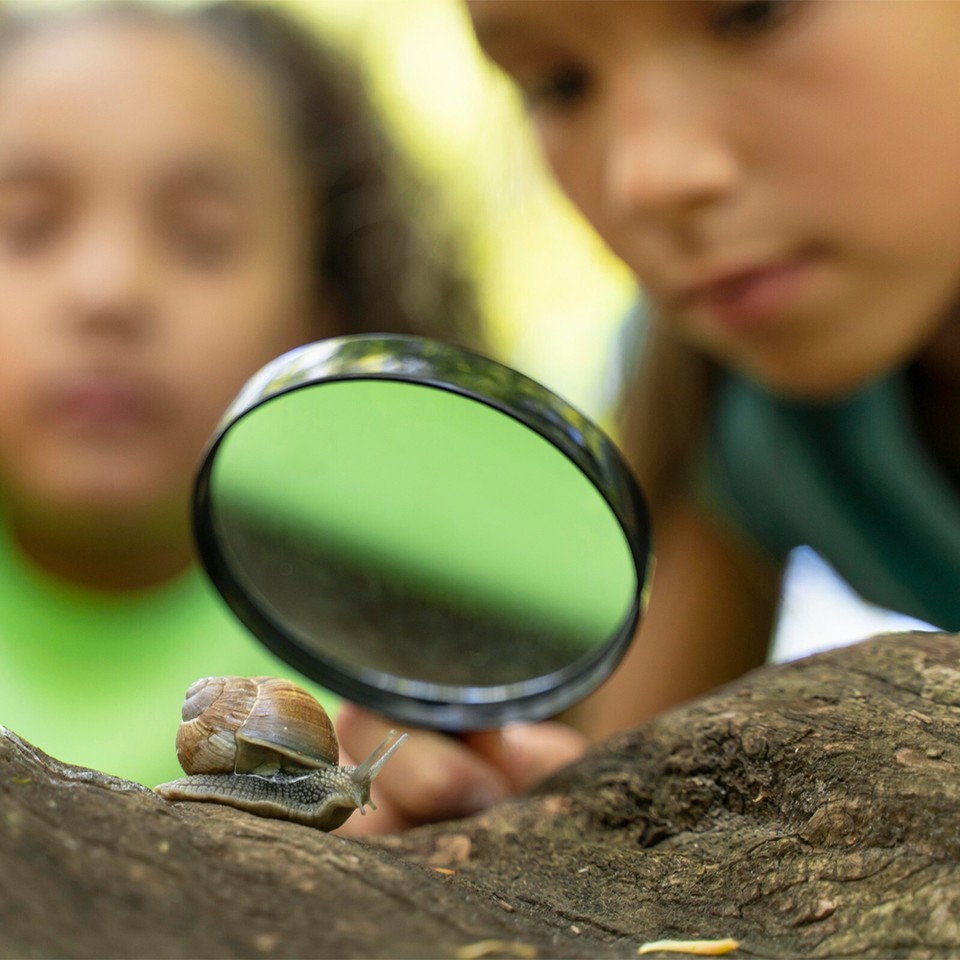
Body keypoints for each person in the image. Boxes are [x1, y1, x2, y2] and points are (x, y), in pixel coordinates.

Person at [337, 0, 960, 834]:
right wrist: (493, 799)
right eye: (561, 84)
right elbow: (637, 777)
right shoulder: (728, 397)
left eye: (752, 15)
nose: (648, 177)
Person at [0, 0, 478, 786]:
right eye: (26, 227)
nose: (108, 290)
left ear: (315, 318)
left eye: (201, 238)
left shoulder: (397, 653)